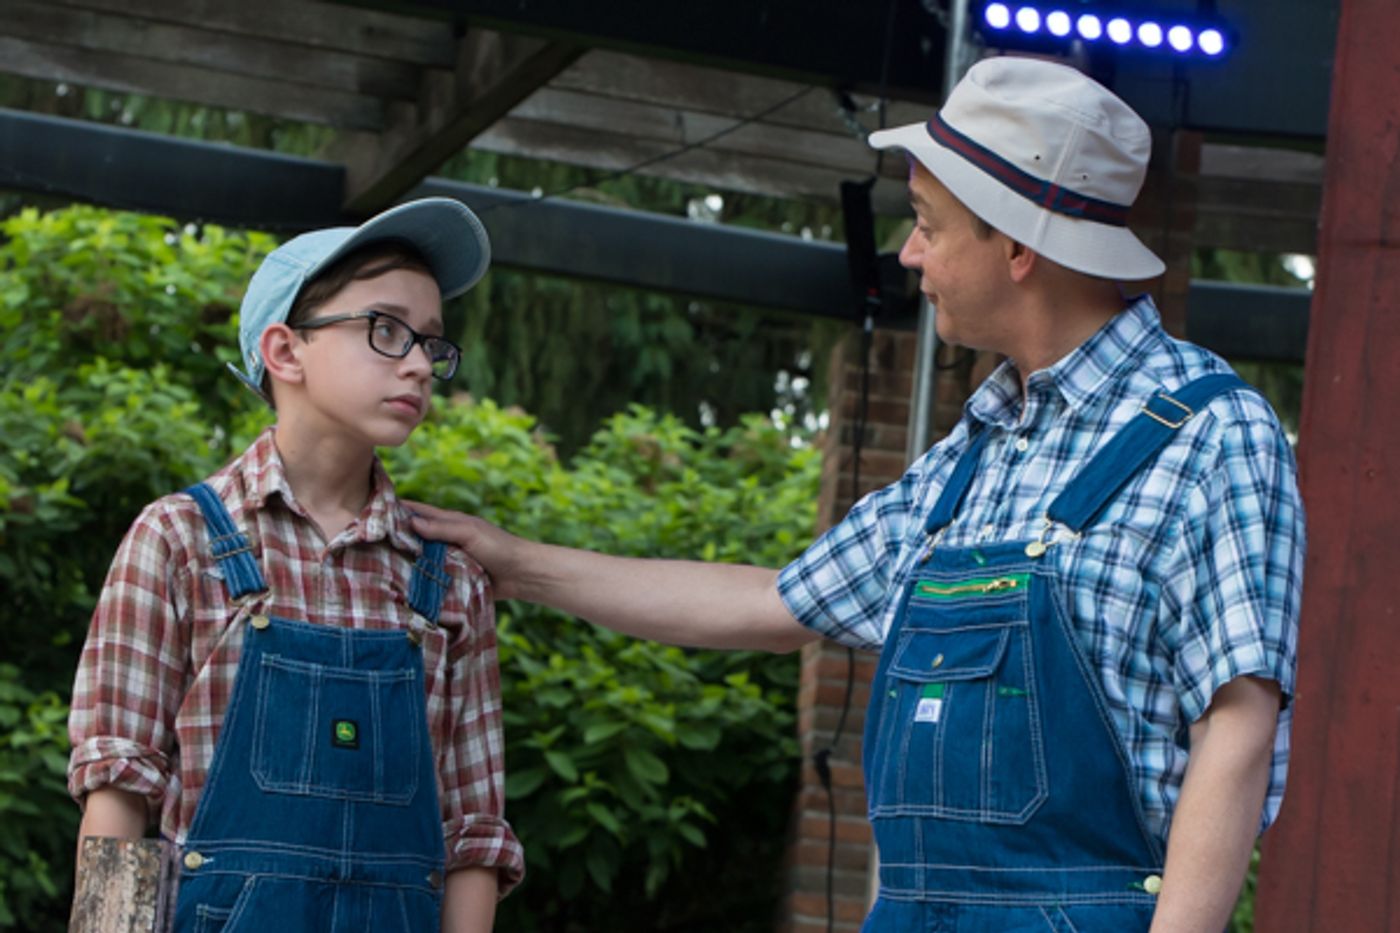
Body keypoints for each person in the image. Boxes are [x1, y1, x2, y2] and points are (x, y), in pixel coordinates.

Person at [408, 56, 1305, 932]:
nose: (908, 253)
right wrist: (516, 562)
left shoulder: (1209, 432)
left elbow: (1237, 722)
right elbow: (775, 599)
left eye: (928, 222)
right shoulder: (973, 457)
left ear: (1019, 245)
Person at [67, 198, 523, 932]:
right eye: (386, 329)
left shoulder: (449, 581)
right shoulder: (179, 539)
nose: (417, 364)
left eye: (430, 343)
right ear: (285, 352)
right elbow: (120, 792)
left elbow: (473, 834)